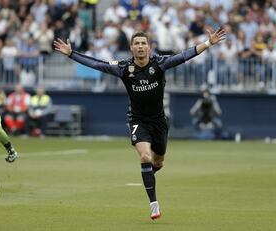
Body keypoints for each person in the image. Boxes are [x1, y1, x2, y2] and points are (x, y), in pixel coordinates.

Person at [53, 28, 226, 219]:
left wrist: (209, 43)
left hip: (159, 122)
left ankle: (148, 175)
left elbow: (184, 55)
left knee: (157, 161)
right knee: (145, 157)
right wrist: (71, 54)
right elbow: (98, 64)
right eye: (137, 44)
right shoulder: (124, 68)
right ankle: (154, 204)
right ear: (131, 48)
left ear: (149, 47)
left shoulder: (159, 63)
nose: (141, 47)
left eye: (144, 43)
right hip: (137, 120)